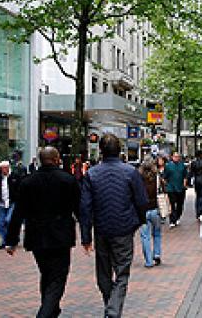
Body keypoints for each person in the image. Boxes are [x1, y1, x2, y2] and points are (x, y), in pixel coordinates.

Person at [5, 147, 80, 318]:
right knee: (58, 277)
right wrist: (87, 234)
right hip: (61, 235)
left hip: (36, 235)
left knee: (46, 274)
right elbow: (78, 208)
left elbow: (18, 213)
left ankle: (51, 310)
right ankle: (46, 312)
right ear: (56, 159)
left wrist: (12, 239)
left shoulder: (28, 182)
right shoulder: (67, 180)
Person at [80, 134, 148, 318]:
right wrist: (139, 221)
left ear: (101, 150)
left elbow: (85, 208)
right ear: (119, 150)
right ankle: (113, 310)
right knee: (122, 272)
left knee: (103, 273)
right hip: (123, 229)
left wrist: (86, 236)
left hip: (102, 229)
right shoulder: (130, 172)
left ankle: (111, 306)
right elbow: (142, 201)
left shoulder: (92, 174)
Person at [139, 157, 164, 268]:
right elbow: (163, 190)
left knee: (145, 236)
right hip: (155, 209)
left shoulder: (138, 178)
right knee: (157, 233)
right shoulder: (157, 177)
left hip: (143, 210)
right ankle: (157, 254)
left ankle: (148, 261)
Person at [0, 160, 22, 249]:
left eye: (5, 168)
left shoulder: (15, 176)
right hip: (1, 203)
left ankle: (13, 238)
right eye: (2, 168)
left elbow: (20, 189)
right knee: (1, 223)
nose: (4, 170)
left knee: (9, 220)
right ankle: (5, 241)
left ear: (9, 167)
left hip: (12, 202)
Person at [164, 152, 188, 228]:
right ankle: (172, 220)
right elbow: (165, 177)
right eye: (175, 156)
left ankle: (177, 217)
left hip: (180, 188)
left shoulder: (182, 165)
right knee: (172, 204)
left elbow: (185, 176)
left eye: (178, 156)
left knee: (180, 204)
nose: (176, 158)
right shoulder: (168, 166)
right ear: (172, 157)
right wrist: (166, 185)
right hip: (171, 188)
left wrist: (184, 184)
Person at [189, 150, 202, 220]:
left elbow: (191, 172)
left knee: (197, 196)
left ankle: (198, 212)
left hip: (196, 180)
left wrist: (189, 181)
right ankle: (201, 211)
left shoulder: (193, 163)